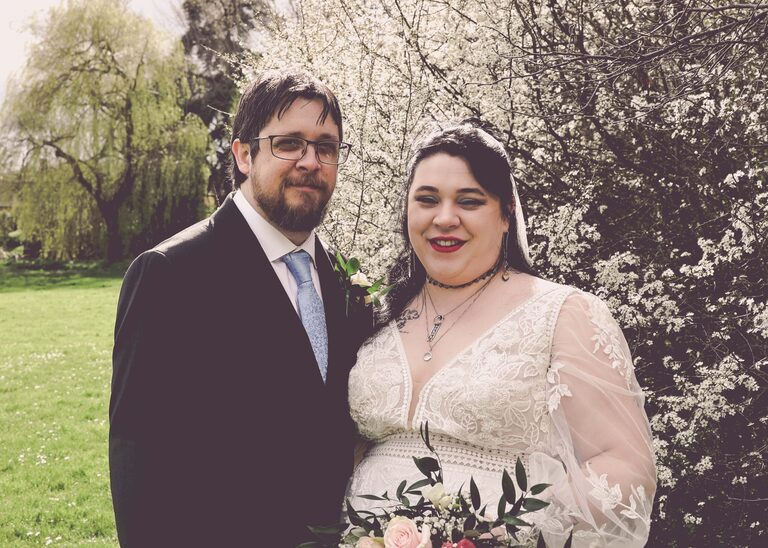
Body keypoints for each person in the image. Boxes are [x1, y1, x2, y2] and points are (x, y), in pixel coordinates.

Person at [346, 121, 657, 547]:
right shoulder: (376, 315)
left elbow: (624, 463)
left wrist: (504, 535)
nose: (444, 218)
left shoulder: (562, 313)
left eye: (469, 201)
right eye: (427, 200)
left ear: (506, 213)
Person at [109, 69, 370, 547]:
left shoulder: (342, 282)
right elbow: (138, 459)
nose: (311, 161)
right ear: (244, 154)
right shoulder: (170, 274)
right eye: (289, 143)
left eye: (326, 147)